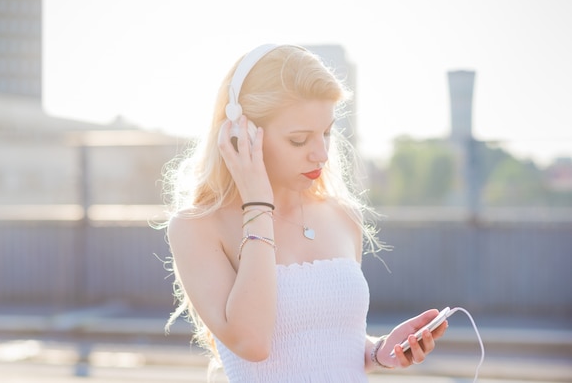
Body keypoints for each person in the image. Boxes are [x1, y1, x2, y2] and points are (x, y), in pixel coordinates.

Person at [159, 44, 448, 382]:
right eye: (299, 140)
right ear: (242, 132)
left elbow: (324, 342)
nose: (321, 154)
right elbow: (251, 342)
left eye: (326, 133)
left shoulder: (341, 216)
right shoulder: (197, 228)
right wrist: (257, 204)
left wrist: (378, 351)